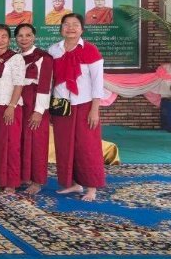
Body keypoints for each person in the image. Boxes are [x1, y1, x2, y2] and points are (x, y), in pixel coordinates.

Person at [49, 14, 106, 202]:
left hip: (84, 106)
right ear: (61, 28)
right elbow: (50, 81)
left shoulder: (90, 50)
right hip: (62, 106)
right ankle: (74, 183)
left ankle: (91, 187)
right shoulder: (54, 50)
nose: (70, 28)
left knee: (87, 147)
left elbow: (97, 82)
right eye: (66, 24)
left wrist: (95, 109)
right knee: (65, 146)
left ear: (82, 29)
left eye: (75, 25)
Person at [15, 23, 53, 195]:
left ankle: (37, 180)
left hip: (36, 104)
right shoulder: (16, 57)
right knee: (21, 140)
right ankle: (24, 176)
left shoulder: (43, 57)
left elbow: (45, 85)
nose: (24, 39)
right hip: (20, 103)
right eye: (20, 35)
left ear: (34, 37)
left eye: (28, 35)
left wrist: (39, 111)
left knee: (37, 142)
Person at [0, 25, 25, 192]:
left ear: (9, 40)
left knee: (11, 145)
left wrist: (11, 106)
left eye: (3, 36)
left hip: (10, 107)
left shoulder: (16, 58)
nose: (0, 40)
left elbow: (19, 84)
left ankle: (11, 182)